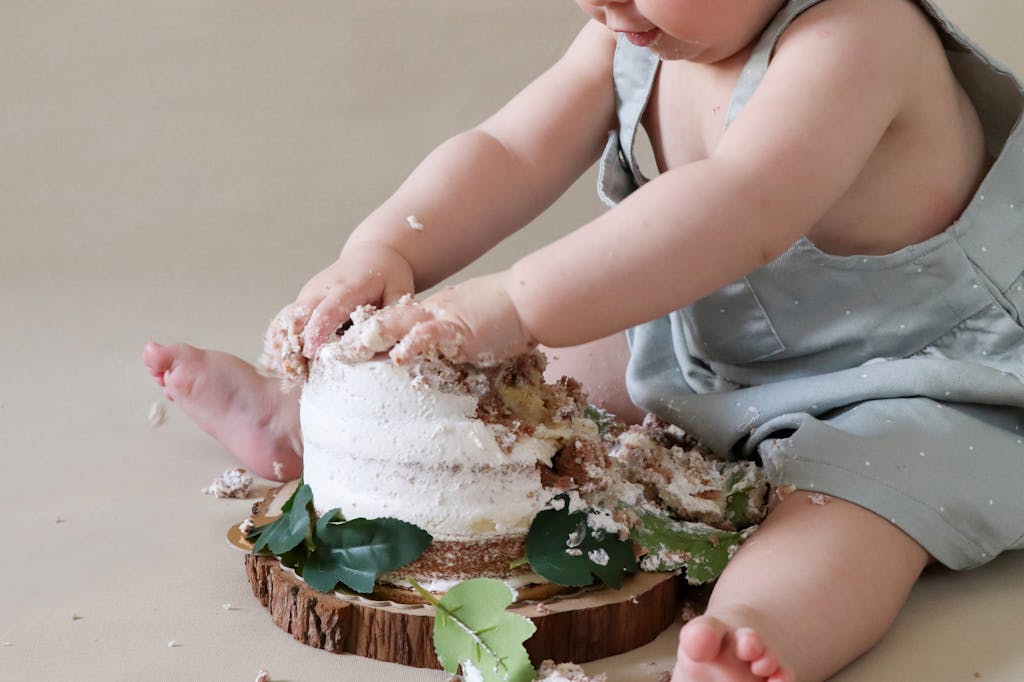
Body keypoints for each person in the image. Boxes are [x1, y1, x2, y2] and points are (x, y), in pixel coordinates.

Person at [144, 0, 1024, 679]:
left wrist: (518, 298)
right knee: (517, 370)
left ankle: (761, 629)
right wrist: (388, 247)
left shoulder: (856, 38)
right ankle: (310, 423)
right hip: (714, 345)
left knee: (856, 501)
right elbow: (508, 150)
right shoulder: (637, 33)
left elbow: (743, 204)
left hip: (918, 375)